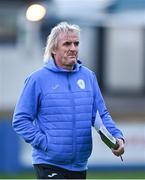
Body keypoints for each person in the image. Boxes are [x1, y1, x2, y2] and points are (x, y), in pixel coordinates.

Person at [12, 22, 125, 179]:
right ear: (53, 49)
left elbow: (101, 114)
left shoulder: (88, 77)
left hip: (79, 165)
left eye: (76, 43)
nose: (73, 48)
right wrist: (45, 143)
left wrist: (117, 137)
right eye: (67, 44)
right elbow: (20, 120)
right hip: (49, 163)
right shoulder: (37, 79)